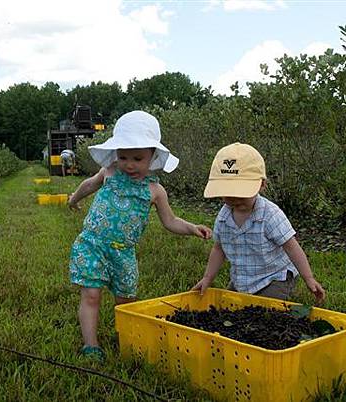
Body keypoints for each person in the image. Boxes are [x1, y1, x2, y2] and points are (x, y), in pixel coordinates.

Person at [68, 110, 212, 360]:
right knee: (91, 294)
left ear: (153, 157)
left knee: (126, 301)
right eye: (123, 157)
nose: (129, 164)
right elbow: (89, 185)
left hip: (123, 252)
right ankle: (90, 345)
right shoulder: (109, 173)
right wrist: (74, 198)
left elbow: (170, 221)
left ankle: (124, 337)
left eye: (137, 158)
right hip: (92, 244)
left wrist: (191, 228)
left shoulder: (155, 191)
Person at [191, 142, 325, 304]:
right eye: (228, 193)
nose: (234, 199)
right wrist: (207, 277)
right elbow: (219, 248)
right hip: (243, 279)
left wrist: (309, 278)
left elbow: (291, 246)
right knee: (230, 306)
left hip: (274, 277)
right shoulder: (224, 217)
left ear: (261, 185)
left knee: (266, 309)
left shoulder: (270, 215)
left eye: (241, 193)